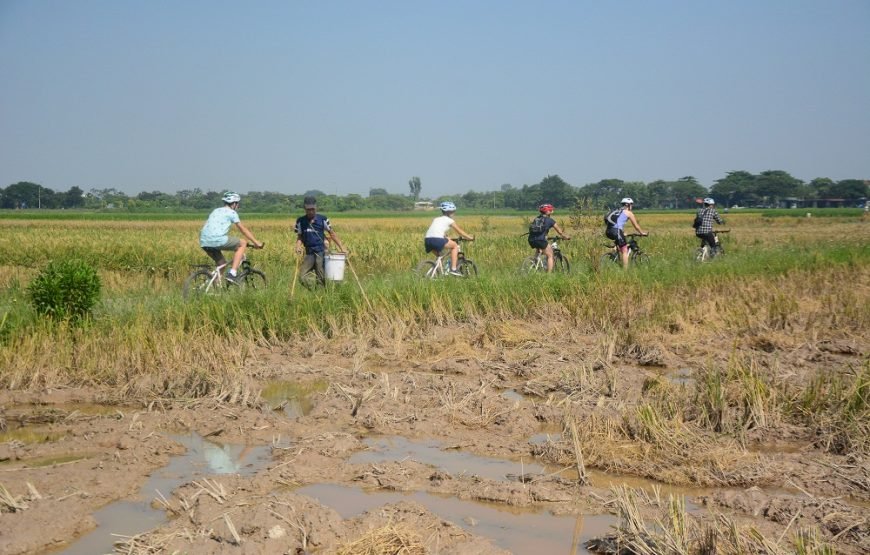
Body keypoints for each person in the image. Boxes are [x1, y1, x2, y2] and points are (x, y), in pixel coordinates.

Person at [199, 191, 263, 283]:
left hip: (204, 241)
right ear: (234, 203)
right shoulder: (232, 213)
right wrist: (256, 242)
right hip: (217, 240)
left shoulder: (216, 210)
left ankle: (215, 286)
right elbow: (243, 229)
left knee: (222, 264)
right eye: (237, 204)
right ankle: (232, 273)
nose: (238, 206)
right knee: (242, 243)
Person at [294, 196, 346, 286]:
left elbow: (332, 234)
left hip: (320, 252)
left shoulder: (323, 219)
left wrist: (342, 248)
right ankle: (314, 291)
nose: (310, 211)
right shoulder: (300, 221)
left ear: (316, 207)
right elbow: (300, 237)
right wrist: (298, 246)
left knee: (321, 279)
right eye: (308, 209)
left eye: (312, 209)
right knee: (302, 277)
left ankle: (321, 294)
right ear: (304, 208)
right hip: (309, 253)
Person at [424, 201, 474, 276]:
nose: (454, 213)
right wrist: (470, 237)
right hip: (437, 239)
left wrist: (446, 237)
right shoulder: (450, 220)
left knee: (440, 256)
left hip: (427, 240)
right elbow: (460, 231)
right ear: (449, 212)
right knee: (454, 246)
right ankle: (453, 269)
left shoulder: (436, 219)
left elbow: (435, 230)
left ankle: (437, 272)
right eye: (453, 211)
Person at [604, 197, 648, 269]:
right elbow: (636, 226)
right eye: (632, 205)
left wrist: (622, 233)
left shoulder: (617, 211)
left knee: (620, 244)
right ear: (628, 205)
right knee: (625, 250)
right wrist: (642, 233)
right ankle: (625, 271)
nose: (632, 206)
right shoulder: (629, 213)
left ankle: (614, 253)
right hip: (616, 231)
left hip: (608, 231)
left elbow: (614, 223)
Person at [528, 203, 571, 272]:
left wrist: (545, 236)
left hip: (531, 239)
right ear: (548, 211)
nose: (552, 211)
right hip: (540, 240)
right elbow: (559, 232)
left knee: (540, 250)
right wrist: (566, 236)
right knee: (550, 255)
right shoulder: (550, 220)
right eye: (551, 210)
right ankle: (548, 275)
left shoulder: (537, 219)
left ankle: (534, 263)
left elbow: (537, 230)